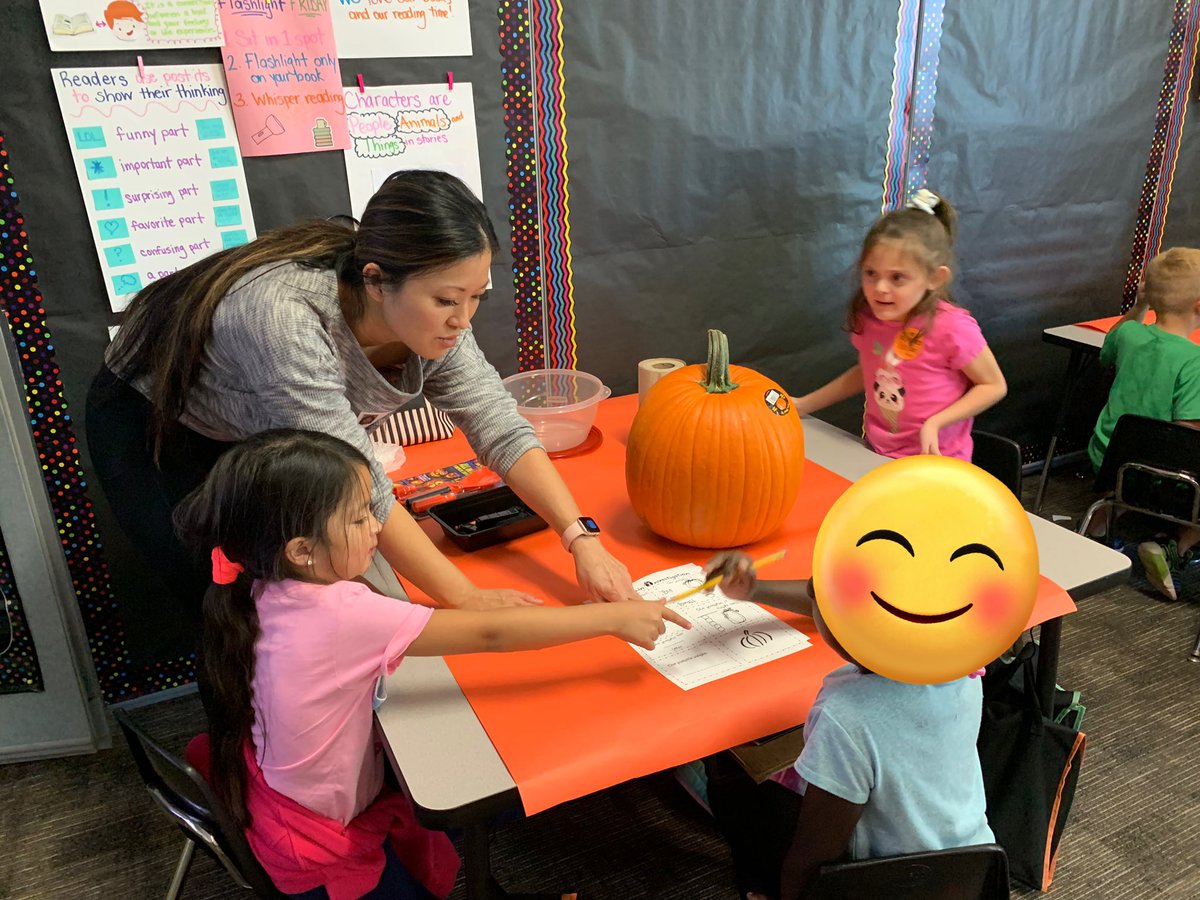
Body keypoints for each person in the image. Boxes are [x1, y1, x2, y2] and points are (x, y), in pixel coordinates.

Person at [86, 170, 638, 629]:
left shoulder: (437, 313)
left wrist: (580, 538)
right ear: (376, 281)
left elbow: (496, 421)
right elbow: (362, 480)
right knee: (225, 606)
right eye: (447, 299)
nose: (462, 319)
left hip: (265, 428)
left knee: (305, 589)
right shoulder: (283, 318)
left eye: (475, 297)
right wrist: (463, 598)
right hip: (157, 422)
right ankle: (243, 752)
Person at [173, 429, 688, 899]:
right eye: (358, 517)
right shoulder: (338, 613)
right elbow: (493, 633)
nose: (379, 524)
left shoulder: (261, 583)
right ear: (302, 550)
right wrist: (615, 619)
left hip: (282, 798)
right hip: (314, 847)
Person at [698, 555, 992, 900]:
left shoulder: (848, 717)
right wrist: (755, 589)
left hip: (886, 883)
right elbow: (845, 606)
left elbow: (814, 857)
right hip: (971, 869)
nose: (812, 590)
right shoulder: (963, 659)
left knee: (732, 785)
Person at [791, 189, 1006, 460]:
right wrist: (803, 404)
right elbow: (869, 370)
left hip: (937, 464)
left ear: (934, 279)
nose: (880, 288)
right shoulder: (870, 317)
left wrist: (936, 422)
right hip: (877, 453)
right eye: (871, 273)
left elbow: (993, 385)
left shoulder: (953, 327)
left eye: (898, 278)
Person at [1086, 247, 1200, 600]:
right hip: (1161, 478)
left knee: (1138, 444)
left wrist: (1140, 306)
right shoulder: (1193, 361)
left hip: (1106, 460)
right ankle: (1174, 547)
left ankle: (1099, 521)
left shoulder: (1127, 336)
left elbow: (1109, 347)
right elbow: (1186, 435)